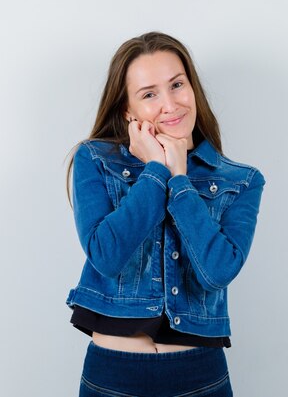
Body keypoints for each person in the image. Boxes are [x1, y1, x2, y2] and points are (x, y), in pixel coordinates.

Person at [64, 31, 265, 397]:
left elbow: (217, 271)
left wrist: (181, 179)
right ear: (128, 110)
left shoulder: (241, 180)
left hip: (200, 375)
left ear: (193, 89)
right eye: (149, 94)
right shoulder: (94, 160)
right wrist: (156, 170)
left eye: (177, 85)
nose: (170, 104)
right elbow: (107, 257)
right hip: (113, 375)